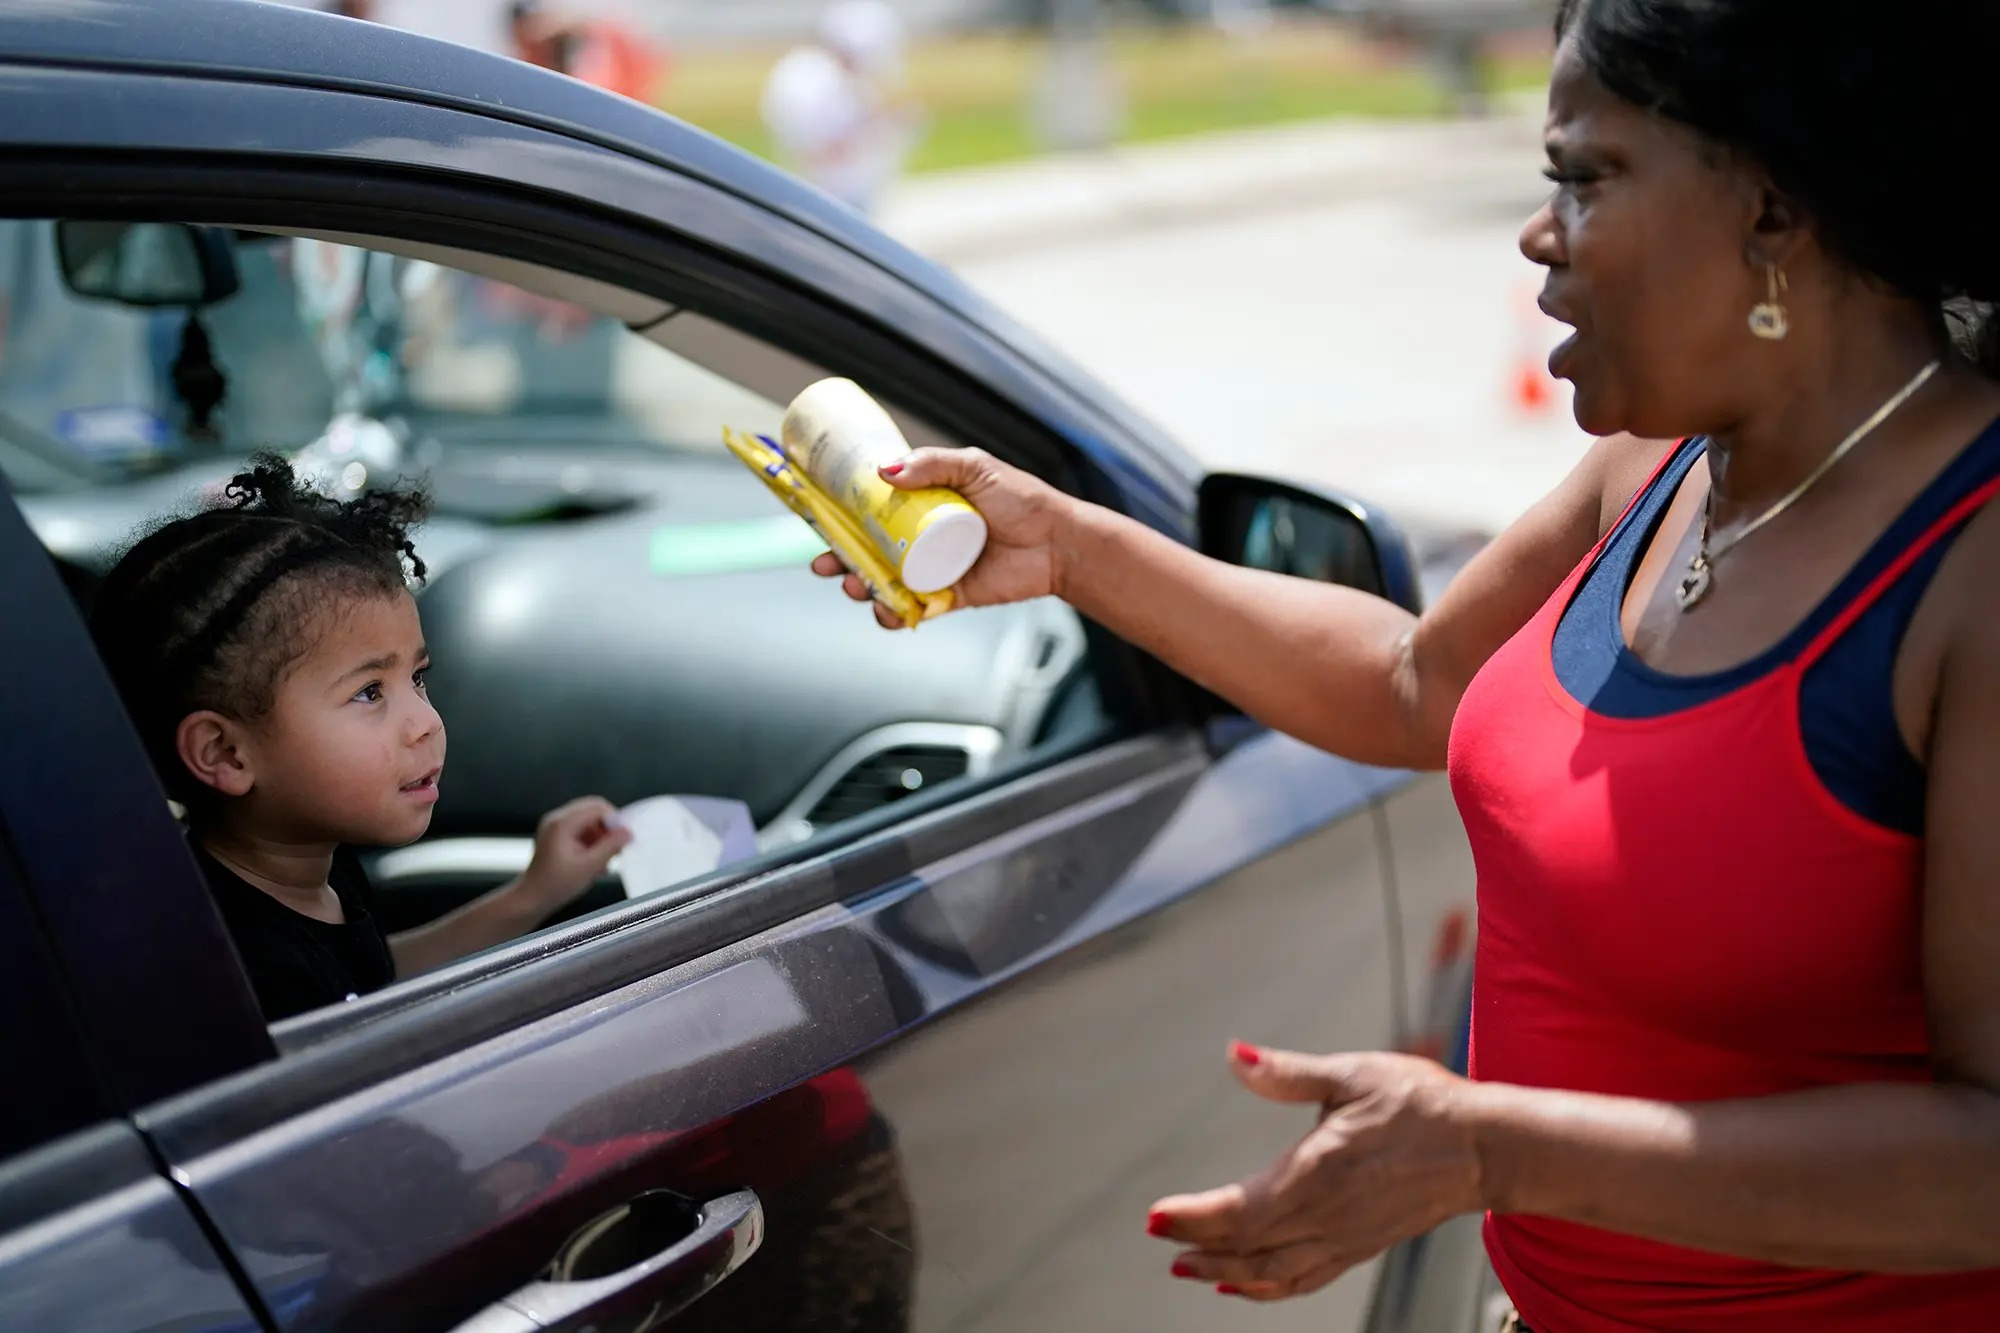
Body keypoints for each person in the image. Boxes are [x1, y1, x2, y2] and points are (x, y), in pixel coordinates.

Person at [812, 1, 2000, 1327]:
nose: (1537, 235)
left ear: (1775, 208)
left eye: (1585, 177)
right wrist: (1070, 548)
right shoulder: (1660, 467)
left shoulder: (1972, 562)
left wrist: (1490, 1151)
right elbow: (1414, 684)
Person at [89, 458, 631, 1022]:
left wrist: (534, 893)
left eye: (416, 679)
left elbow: (375, 984)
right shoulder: (234, 968)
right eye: (370, 692)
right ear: (225, 754)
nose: (426, 722)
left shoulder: (314, 867)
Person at [760, 1, 920, 217]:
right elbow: (813, 154)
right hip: (823, 206)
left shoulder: (849, 83)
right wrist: (871, 128)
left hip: (853, 202)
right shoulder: (805, 79)